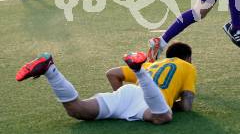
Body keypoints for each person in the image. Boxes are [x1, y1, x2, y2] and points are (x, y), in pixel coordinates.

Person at [16, 42, 196, 123]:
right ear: (187, 58)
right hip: (150, 102)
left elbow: (112, 74)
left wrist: (120, 98)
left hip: (128, 93)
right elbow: (187, 105)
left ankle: (51, 70)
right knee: (163, 117)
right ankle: (138, 72)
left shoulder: (153, 63)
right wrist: (171, 102)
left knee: (77, 110)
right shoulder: (188, 68)